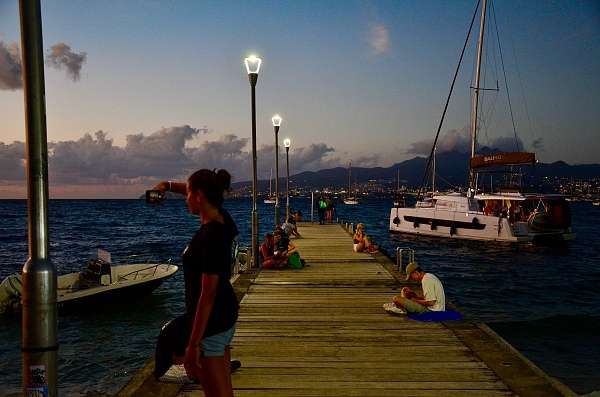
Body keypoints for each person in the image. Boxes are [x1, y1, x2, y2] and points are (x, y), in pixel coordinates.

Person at [152, 170, 238, 397]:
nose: (185, 198)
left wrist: (193, 345)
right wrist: (167, 184)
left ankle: (184, 364)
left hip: (213, 322)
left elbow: (207, 295)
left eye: (188, 194)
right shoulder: (223, 218)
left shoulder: (210, 237)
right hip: (225, 314)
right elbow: (197, 190)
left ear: (199, 196)